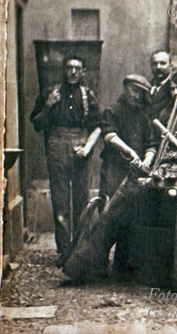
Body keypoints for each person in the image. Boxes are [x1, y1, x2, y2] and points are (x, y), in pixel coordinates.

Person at [30, 55, 102, 266]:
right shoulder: (50, 93)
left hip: (81, 148)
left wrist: (88, 146)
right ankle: (64, 252)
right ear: (64, 70)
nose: (72, 72)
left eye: (77, 68)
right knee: (60, 204)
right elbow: (36, 123)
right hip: (56, 148)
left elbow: (98, 126)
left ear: (83, 72)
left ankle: (80, 251)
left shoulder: (88, 95)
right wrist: (48, 105)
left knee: (82, 200)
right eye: (69, 67)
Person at [99, 74, 157, 278]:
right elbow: (109, 135)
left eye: (141, 92)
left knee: (131, 218)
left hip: (135, 173)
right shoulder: (112, 111)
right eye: (133, 90)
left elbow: (151, 144)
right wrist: (131, 152)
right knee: (109, 216)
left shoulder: (144, 116)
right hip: (114, 170)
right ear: (125, 88)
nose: (136, 95)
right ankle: (98, 265)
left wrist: (146, 161)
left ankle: (121, 268)